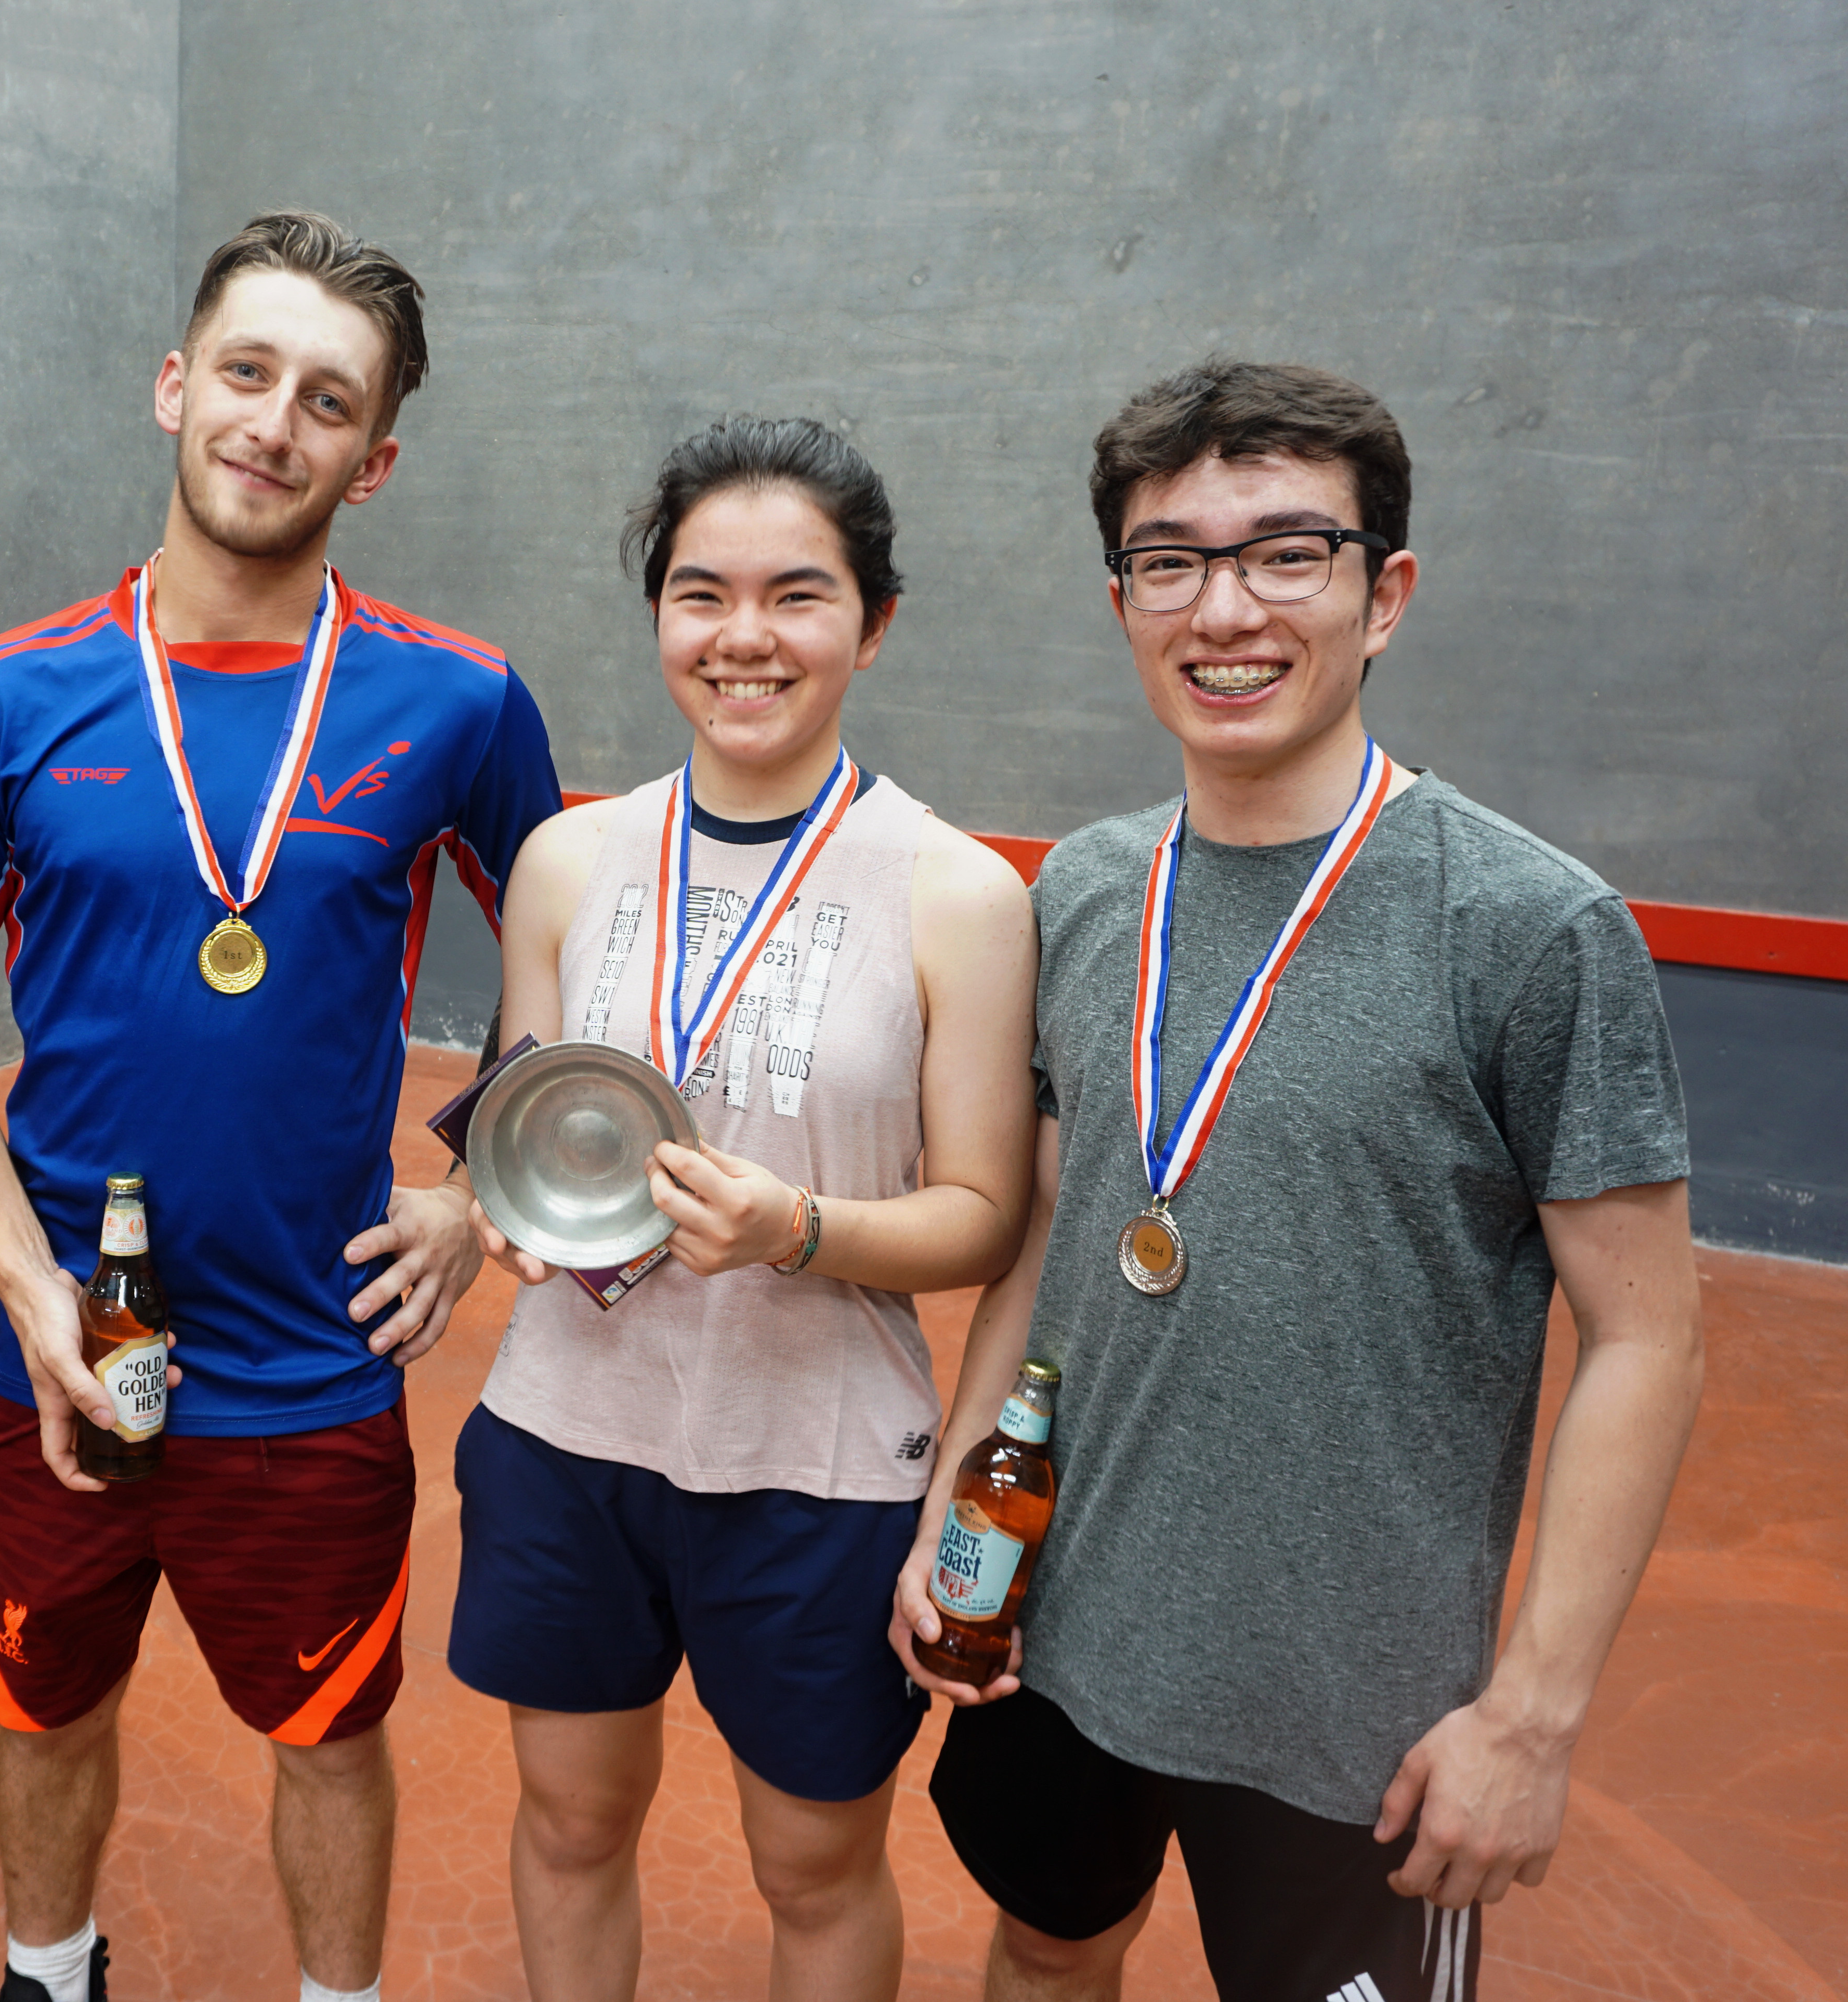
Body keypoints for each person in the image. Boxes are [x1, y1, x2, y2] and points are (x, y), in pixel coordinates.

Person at [898, 360, 1703, 2002]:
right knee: (1048, 1943)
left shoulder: (1531, 927)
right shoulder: (1085, 891)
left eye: (1286, 552)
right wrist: (950, 1511)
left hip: (1354, 1704)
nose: (1225, 610)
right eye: (1171, 561)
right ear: (1123, 603)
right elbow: (1045, 1238)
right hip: (1063, 1628)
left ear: (1382, 593)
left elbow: (1648, 1339)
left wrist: (1532, 1716)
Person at [0, 211, 561, 2002]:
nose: (274, 421)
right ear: (177, 386)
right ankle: (49, 1974)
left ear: (373, 459)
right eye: (247, 372)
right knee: (45, 1710)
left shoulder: (462, 700)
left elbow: (578, 953)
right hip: (61, 1352)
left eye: (328, 399)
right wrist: (27, 1291)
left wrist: (479, 1193)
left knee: (328, 1739)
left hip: (315, 1360)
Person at [454, 417, 1040, 2001]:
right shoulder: (569, 859)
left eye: (797, 595)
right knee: (571, 1822)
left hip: (814, 1461)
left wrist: (799, 1229)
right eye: (701, 594)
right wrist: (504, 1213)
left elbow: (985, 1215)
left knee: (813, 1869)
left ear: (874, 623)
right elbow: (521, 1117)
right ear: (659, 615)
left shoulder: (958, 893)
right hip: (567, 1434)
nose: (744, 638)